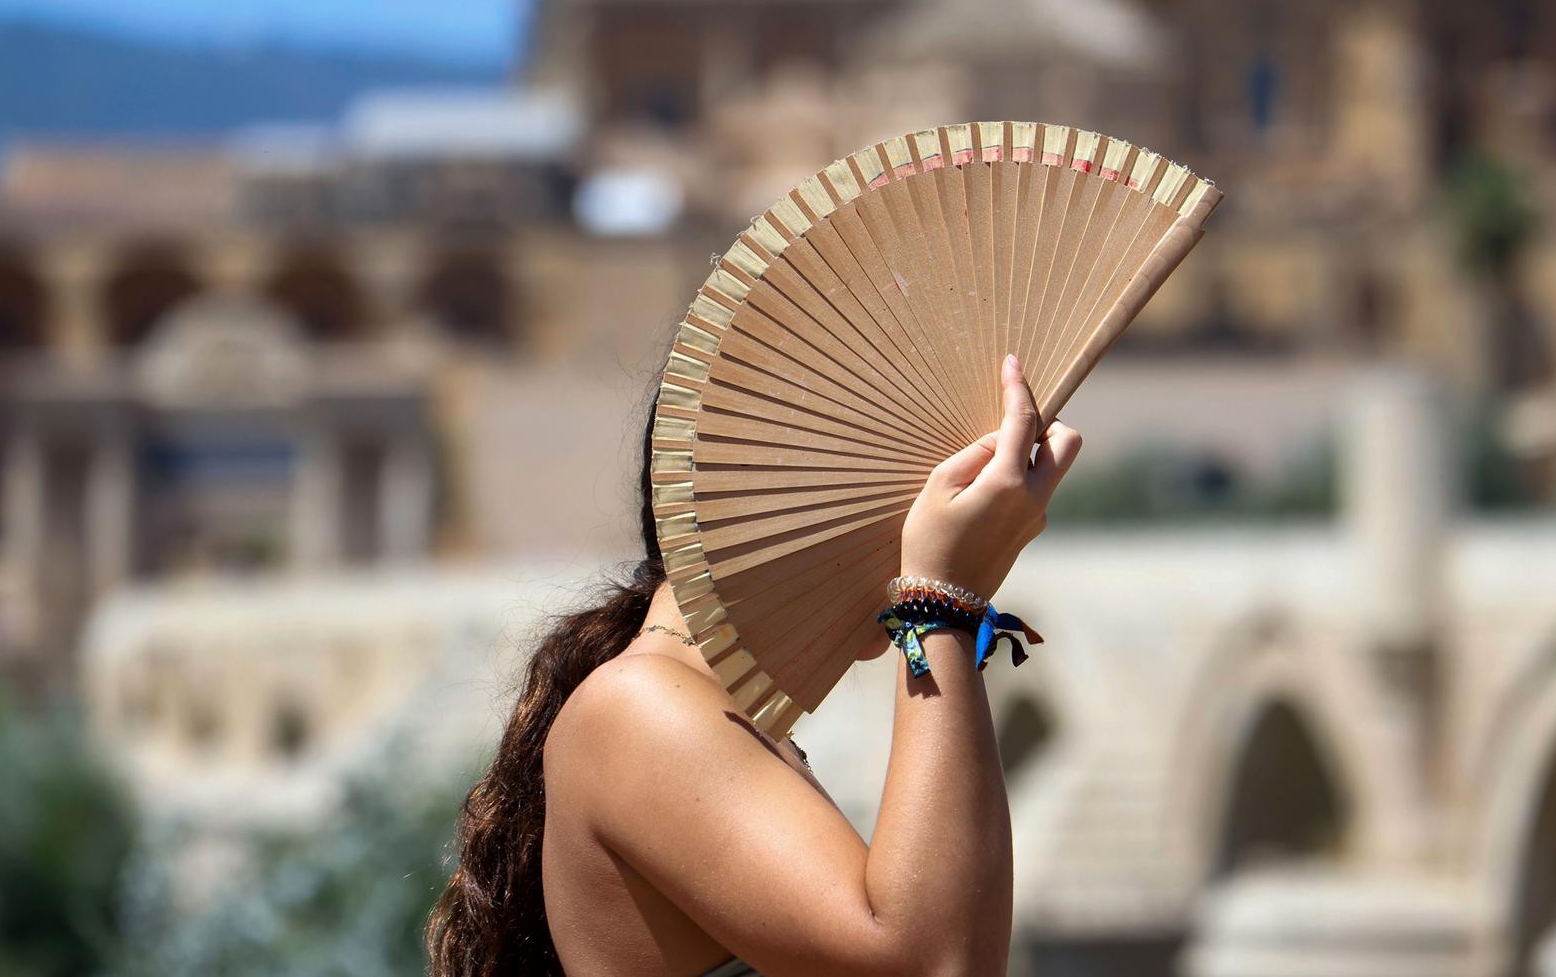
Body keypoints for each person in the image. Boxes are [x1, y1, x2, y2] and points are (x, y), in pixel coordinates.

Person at [427, 354, 1083, 976]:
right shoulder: (639, 707)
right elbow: (937, 964)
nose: (913, 529)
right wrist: (939, 602)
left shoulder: (705, 713)